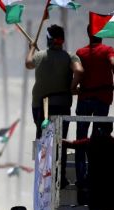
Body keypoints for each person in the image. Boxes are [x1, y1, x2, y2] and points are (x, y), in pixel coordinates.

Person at [26, 24, 83, 189]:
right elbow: (79, 71)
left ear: (48, 39)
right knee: (60, 141)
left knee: (43, 142)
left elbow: (28, 63)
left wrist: (31, 49)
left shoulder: (40, 55)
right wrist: (72, 88)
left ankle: (43, 177)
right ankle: (60, 176)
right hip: (62, 104)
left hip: (41, 107)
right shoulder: (70, 57)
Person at [74, 25, 114, 200]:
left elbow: (76, 73)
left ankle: (81, 178)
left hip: (85, 99)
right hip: (102, 99)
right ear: (102, 34)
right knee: (97, 141)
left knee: (81, 139)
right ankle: (93, 176)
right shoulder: (108, 50)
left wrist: (75, 87)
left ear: (88, 34)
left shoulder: (80, 52)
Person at [64, 125, 114, 210]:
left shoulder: (91, 142)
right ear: (111, 129)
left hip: (95, 189)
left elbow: (72, 144)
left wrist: (55, 138)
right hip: (113, 188)